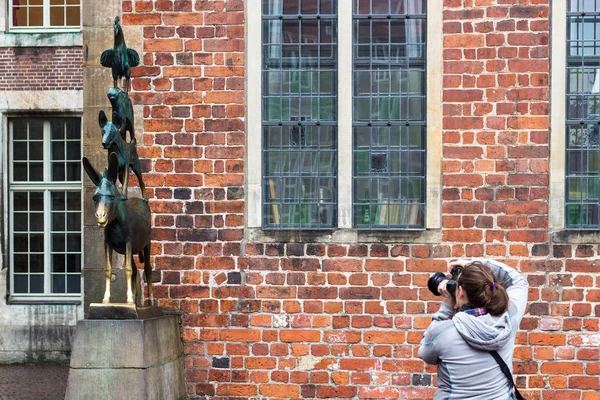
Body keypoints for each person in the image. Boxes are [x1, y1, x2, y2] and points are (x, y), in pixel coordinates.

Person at [418, 258, 529, 399]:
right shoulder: (507, 319)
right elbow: (518, 280)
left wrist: (446, 307)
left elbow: (425, 353)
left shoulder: (441, 332)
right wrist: (474, 263)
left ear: (461, 292)